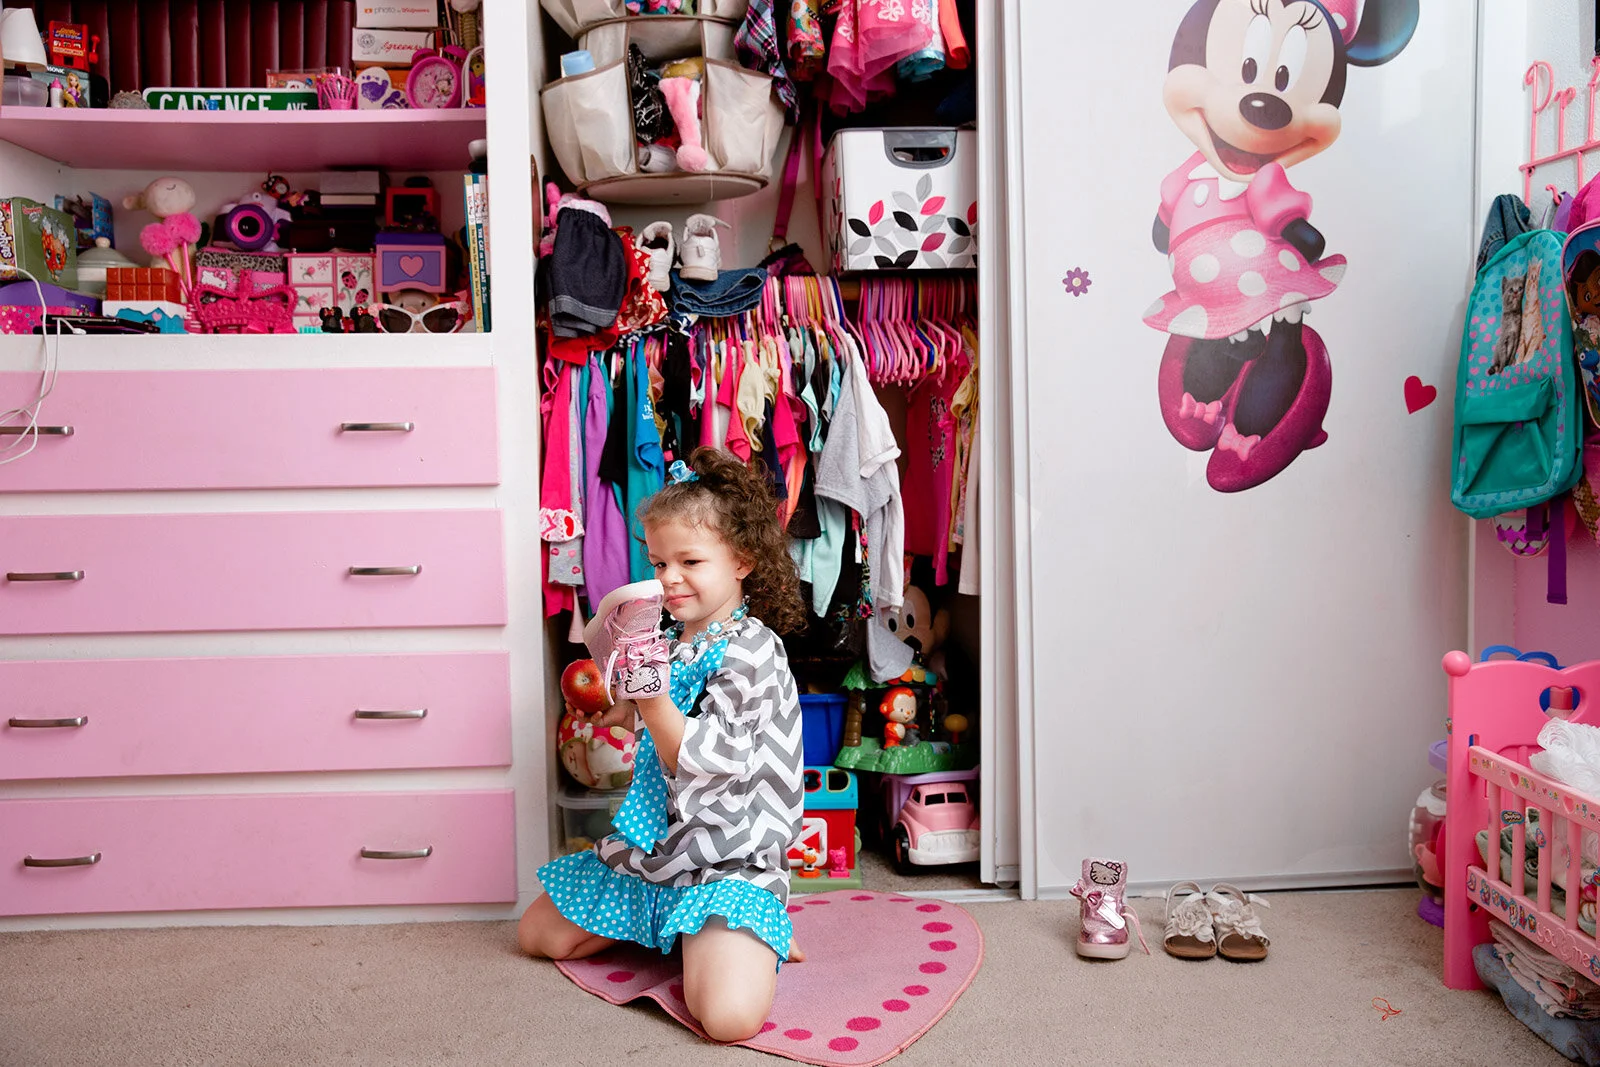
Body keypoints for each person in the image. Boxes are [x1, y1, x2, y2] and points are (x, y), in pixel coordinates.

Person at [518, 447, 808, 1042]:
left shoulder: (754, 651)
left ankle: (752, 922)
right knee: (539, 935)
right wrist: (621, 700)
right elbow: (640, 723)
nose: (669, 578)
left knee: (727, 1019)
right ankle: (683, 926)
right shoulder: (673, 638)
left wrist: (652, 701)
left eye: (690, 561)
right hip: (663, 849)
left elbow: (691, 756)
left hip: (731, 857)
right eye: (658, 562)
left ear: (743, 561)